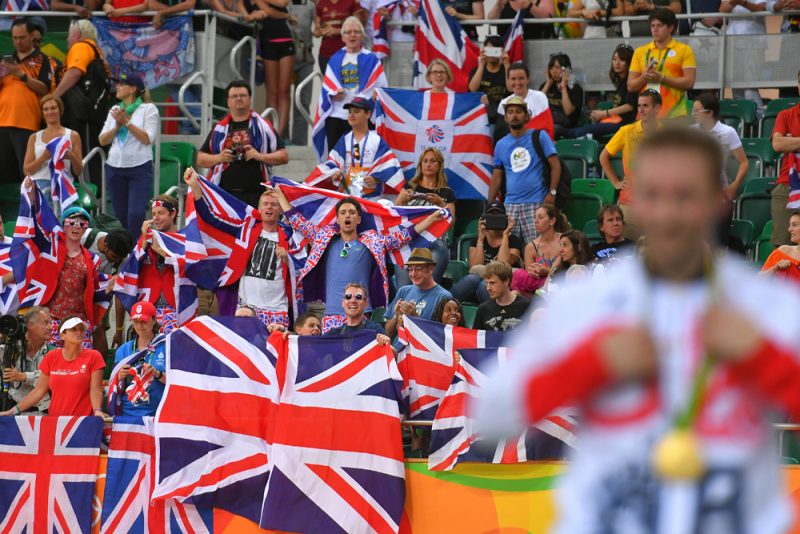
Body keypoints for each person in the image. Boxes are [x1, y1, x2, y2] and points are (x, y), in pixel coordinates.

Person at [477, 126, 800, 534]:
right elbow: (490, 416)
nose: (669, 212)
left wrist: (764, 359)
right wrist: (591, 362)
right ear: (635, 200)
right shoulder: (586, 301)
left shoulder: (764, 303)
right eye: (655, 194)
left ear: (716, 201)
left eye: (686, 195)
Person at [275, 190, 445, 333]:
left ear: (359, 219)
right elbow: (298, 222)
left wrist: (430, 219)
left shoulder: (373, 241)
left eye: (352, 212)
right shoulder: (323, 238)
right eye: (343, 213)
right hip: (331, 315)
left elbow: (406, 235)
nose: (347, 216)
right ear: (338, 219)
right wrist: (280, 194)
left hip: (362, 314)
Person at [197, 80, 288, 209]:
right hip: (225, 195)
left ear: (250, 99)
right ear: (228, 101)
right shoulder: (219, 129)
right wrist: (219, 158)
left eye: (242, 95)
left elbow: (283, 156)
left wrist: (259, 156)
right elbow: (200, 159)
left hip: (257, 195)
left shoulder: (264, 126)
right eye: (234, 96)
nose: (238, 99)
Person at [489, 95, 561, 244]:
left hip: (536, 203)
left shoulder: (539, 136)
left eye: (518, 111)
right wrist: (490, 203)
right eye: (510, 112)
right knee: (509, 253)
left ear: (526, 116)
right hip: (510, 206)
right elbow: (497, 177)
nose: (514, 115)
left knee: (537, 250)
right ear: (506, 117)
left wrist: (552, 192)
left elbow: (556, 165)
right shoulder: (501, 144)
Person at [0, 316, 105, 417]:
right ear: (62, 335)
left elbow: (96, 389)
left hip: (82, 421)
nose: (79, 332)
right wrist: (13, 411)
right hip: (55, 422)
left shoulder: (94, 356)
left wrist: (97, 410)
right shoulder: (52, 356)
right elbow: (39, 391)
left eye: (82, 329)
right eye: (73, 329)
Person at [313, 17, 386, 158]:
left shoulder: (371, 59)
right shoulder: (335, 58)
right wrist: (333, 93)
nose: (352, 35)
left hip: (361, 116)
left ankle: (356, 180)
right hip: (337, 115)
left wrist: (366, 99)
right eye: (348, 32)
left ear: (362, 36)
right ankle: (337, 180)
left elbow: (381, 87)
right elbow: (327, 88)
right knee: (335, 155)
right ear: (342, 37)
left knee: (357, 155)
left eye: (356, 32)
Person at [98, 73, 160, 240]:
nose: (116, 87)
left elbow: (148, 138)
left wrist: (127, 122)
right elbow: (103, 140)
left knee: (136, 215)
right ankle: (132, 248)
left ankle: (135, 252)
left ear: (132, 89)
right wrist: (117, 126)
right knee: (122, 215)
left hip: (139, 168)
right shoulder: (115, 110)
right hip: (114, 168)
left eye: (121, 84)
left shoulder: (148, 109)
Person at [307, 96, 404, 199]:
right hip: (347, 197)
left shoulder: (377, 140)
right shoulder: (344, 140)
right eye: (350, 112)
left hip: (372, 198)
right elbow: (332, 163)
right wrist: (334, 172)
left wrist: (377, 178)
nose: (352, 115)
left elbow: (389, 166)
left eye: (356, 111)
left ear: (368, 114)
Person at [53, 20, 111, 188]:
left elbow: (75, 72)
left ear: (77, 35)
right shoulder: (97, 51)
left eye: (69, 34)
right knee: (92, 156)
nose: (67, 39)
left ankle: (88, 197)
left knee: (83, 155)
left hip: (82, 114)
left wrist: (54, 96)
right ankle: (97, 197)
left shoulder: (81, 47)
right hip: (95, 112)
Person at [0, 18, 58, 185]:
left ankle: (30, 209)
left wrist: (22, 75)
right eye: (15, 38)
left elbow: (45, 89)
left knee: (26, 173)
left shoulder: (43, 60)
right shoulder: (6, 59)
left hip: (26, 124)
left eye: (22, 37)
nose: (18, 41)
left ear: (32, 36)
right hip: (2, 122)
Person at [599, 90, 662, 240]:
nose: (641, 109)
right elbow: (603, 157)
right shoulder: (627, 131)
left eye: (645, 106)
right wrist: (615, 182)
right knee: (627, 251)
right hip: (630, 203)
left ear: (657, 108)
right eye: (639, 105)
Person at [395, 148, 456, 285]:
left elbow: (451, 222)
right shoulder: (410, 187)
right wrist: (400, 201)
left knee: (425, 284)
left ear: (439, 165)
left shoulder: (446, 192)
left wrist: (441, 204)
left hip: (435, 240)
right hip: (411, 239)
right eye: (425, 161)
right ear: (420, 165)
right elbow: (395, 215)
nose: (428, 164)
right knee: (403, 289)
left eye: (433, 161)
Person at [628, 9, 696, 120]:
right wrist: (644, 77)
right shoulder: (640, 51)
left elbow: (689, 82)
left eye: (659, 25)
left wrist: (662, 78)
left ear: (671, 28)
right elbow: (631, 86)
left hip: (675, 115)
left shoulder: (684, 50)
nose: (655, 29)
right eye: (652, 25)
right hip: (645, 116)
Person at [452, 201, 524, 304]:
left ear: (505, 219)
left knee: (484, 285)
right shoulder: (477, 240)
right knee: (472, 279)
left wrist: (505, 235)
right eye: (491, 216)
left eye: (498, 216)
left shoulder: (513, 240)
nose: (494, 218)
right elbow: (475, 267)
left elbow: (503, 266)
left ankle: (494, 315)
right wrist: (481, 238)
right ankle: (444, 305)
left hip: (501, 287)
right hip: (477, 286)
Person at [23, 95, 83, 211]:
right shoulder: (34, 137)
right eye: (46, 109)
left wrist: (71, 156)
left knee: (61, 225)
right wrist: (43, 157)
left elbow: (79, 170)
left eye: (53, 108)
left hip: (63, 187)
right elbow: (27, 170)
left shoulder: (73, 135)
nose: (50, 112)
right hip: (39, 186)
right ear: (42, 113)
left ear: (60, 110)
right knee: (42, 227)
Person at [564, 44, 636, 139]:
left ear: (629, 62)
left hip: (624, 124)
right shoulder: (620, 81)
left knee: (580, 133)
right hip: (614, 120)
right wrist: (600, 113)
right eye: (614, 59)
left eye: (622, 60)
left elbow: (630, 106)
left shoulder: (632, 82)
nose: (617, 63)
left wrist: (605, 113)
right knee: (568, 132)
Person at [384, 248, 453, 338]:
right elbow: (388, 333)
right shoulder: (403, 291)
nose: (413, 274)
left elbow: (441, 337)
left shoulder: (444, 297)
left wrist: (415, 318)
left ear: (431, 269)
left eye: (418, 269)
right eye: (410, 269)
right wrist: (396, 317)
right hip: (400, 348)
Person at [113, 301, 166, 417]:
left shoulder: (166, 346)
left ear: (153, 320)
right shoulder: (123, 350)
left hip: (157, 413)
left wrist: (157, 374)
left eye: (144, 321)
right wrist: (120, 378)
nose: (139, 326)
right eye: (136, 322)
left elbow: (176, 382)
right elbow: (115, 388)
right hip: (128, 413)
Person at [252, 0, 293, 139]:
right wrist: (284, 15)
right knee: (272, 91)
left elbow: (283, 3)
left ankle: (279, 134)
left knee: (284, 90)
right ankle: (271, 133)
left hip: (285, 39)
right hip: (268, 40)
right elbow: (268, 11)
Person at [2, 307, 52, 415]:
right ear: (30, 325)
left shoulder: (53, 352)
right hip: (11, 412)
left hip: (41, 414)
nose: (51, 327)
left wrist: (23, 376)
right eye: (46, 323)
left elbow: (48, 381)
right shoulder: (9, 349)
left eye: (50, 323)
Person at [511, 204, 568, 296]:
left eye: (540, 217)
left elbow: (570, 269)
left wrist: (548, 271)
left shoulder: (565, 241)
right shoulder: (531, 247)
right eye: (535, 217)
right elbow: (530, 278)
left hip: (562, 286)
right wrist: (533, 272)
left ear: (552, 221)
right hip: (537, 290)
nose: (536, 221)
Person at [721, 0, 767, 108]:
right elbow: (723, 9)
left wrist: (742, 2)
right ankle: (743, 121)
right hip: (732, 39)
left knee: (749, 86)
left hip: (753, 39)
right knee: (736, 86)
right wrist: (734, 2)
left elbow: (762, 8)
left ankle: (757, 119)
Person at [771, 78, 800, 246]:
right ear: (798, 86)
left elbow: (784, 143)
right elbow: (777, 144)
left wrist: (792, 141)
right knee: (782, 245)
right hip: (787, 187)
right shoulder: (786, 115)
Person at [496, 63, 554, 142]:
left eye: (521, 78)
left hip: (535, 144)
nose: (517, 82)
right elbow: (502, 134)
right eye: (513, 79)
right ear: (508, 80)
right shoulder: (504, 103)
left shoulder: (539, 97)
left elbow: (544, 125)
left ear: (528, 79)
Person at [473, 260, 530, 332]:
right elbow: (477, 339)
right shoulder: (483, 309)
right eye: (486, 283)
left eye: (492, 283)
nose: (488, 288)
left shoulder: (527, 306)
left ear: (506, 281)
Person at [468, 36, 511, 130]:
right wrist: (482, 64)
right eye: (489, 50)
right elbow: (472, 89)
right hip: (482, 114)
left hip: (502, 114)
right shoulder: (477, 70)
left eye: (496, 50)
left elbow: (511, 89)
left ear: (502, 51)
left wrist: (507, 65)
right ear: (484, 50)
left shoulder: (507, 69)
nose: (492, 54)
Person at [540, 53, 584, 140]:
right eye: (551, 68)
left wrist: (564, 86)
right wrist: (548, 84)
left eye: (557, 67)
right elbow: (536, 105)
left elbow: (568, 111)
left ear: (566, 70)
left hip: (567, 127)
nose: (554, 71)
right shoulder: (546, 86)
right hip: (547, 122)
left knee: (554, 129)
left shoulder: (575, 88)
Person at [313, 0, 365, 72]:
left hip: (348, 53)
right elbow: (316, 30)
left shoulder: (352, 2)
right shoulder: (321, 3)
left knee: (348, 82)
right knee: (329, 82)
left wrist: (338, 31)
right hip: (326, 53)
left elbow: (359, 27)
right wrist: (321, 31)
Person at [760, 211, 800, 284]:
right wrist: (774, 269)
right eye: (790, 225)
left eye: (794, 225)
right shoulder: (783, 251)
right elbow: (757, 281)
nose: (789, 229)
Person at [490, 0, 556, 40]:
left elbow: (548, 20)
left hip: (538, 46)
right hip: (508, 50)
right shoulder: (504, 2)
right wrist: (498, 5)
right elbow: (491, 22)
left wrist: (529, 6)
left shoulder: (544, 1)